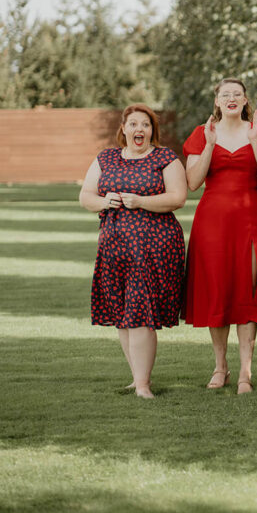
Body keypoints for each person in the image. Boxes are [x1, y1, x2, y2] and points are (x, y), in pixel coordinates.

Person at [79, 104, 187, 400]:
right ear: (123, 129)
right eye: (134, 124)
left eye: (146, 125)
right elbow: (86, 196)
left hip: (154, 247)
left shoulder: (164, 158)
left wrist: (140, 201)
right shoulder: (106, 158)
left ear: (153, 130)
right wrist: (105, 201)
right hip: (114, 248)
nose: (140, 129)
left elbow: (178, 197)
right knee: (123, 314)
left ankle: (143, 385)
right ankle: (136, 377)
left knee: (139, 313)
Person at [183, 77, 257, 395]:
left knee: (248, 291)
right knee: (218, 290)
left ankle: (245, 372)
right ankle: (220, 366)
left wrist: (254, 140)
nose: (230, 98)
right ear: (217, 101)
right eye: (225, 94)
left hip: (250, 218)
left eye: (236, 94)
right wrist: (211, 144)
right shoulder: (202, 134)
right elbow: (193, 182)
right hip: (212, 222)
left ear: (244, 100)